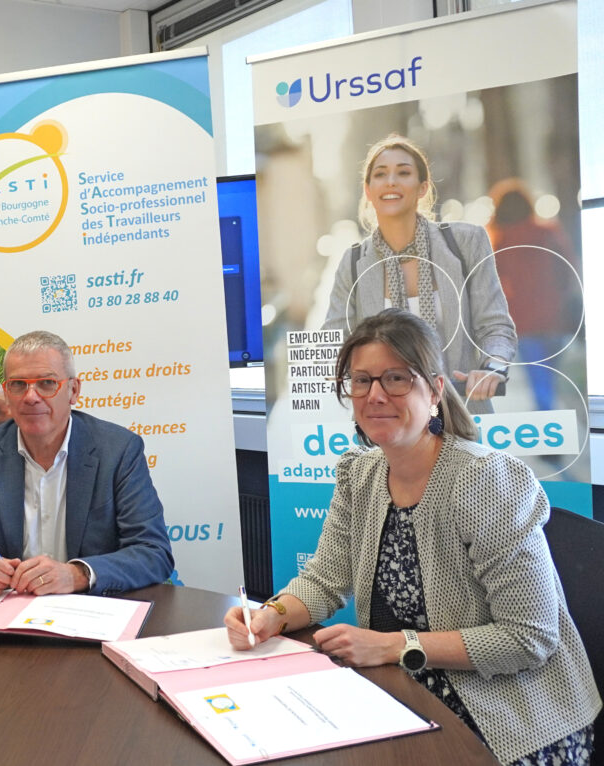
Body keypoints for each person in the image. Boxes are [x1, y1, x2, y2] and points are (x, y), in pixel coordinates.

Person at [225, 309, 599, 765]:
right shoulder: (358, 474)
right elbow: (323, 580)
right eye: (360, 381)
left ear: (436, 390)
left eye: (396, 378)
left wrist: (393, 646)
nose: (375, 395)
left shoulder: (487, 482)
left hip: (510, 716)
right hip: (399, 688)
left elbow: (528, 638)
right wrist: (270, 616)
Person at [0, 330, 173, 597]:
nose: (31, 396)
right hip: (8, 620)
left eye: (47, 383)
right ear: (6, 393)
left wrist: (76, 574)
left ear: (73, 391)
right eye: (18, 385)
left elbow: (153, 552)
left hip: (90, 618)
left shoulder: (118, 450)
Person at [322, 134, 516, 412]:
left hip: (461, 413)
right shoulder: (353, 262)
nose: (391, 181)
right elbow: (335, 344)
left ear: (422, 187)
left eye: (403, 172)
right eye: (380, 174)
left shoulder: (466, 242)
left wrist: (492, 367)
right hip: (387, 422)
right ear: (368, 190)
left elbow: (496, 326)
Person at [487, 177, 579, 412]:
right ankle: (553, 425)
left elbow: (493, 284)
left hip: (523, 323)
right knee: (552, 377)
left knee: (540, 379)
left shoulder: (501, 241)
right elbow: (569, 270)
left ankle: (550, 428)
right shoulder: (549, 232)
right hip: (554, 318)